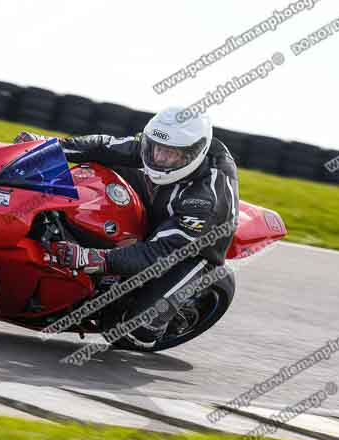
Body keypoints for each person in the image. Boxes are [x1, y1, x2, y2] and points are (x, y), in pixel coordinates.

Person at [14, 106, 239, 348]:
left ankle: (156, 321)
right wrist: (48, 146)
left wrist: (92, 258)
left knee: (135, 331)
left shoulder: (206, 201)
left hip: (193, 248)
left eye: (170, 154)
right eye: (156, 149)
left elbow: (158, 253)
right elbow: (104, 145)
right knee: (99, 163)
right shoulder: (159, 150)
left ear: (194, 155)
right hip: (163, 200)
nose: (159, 159)